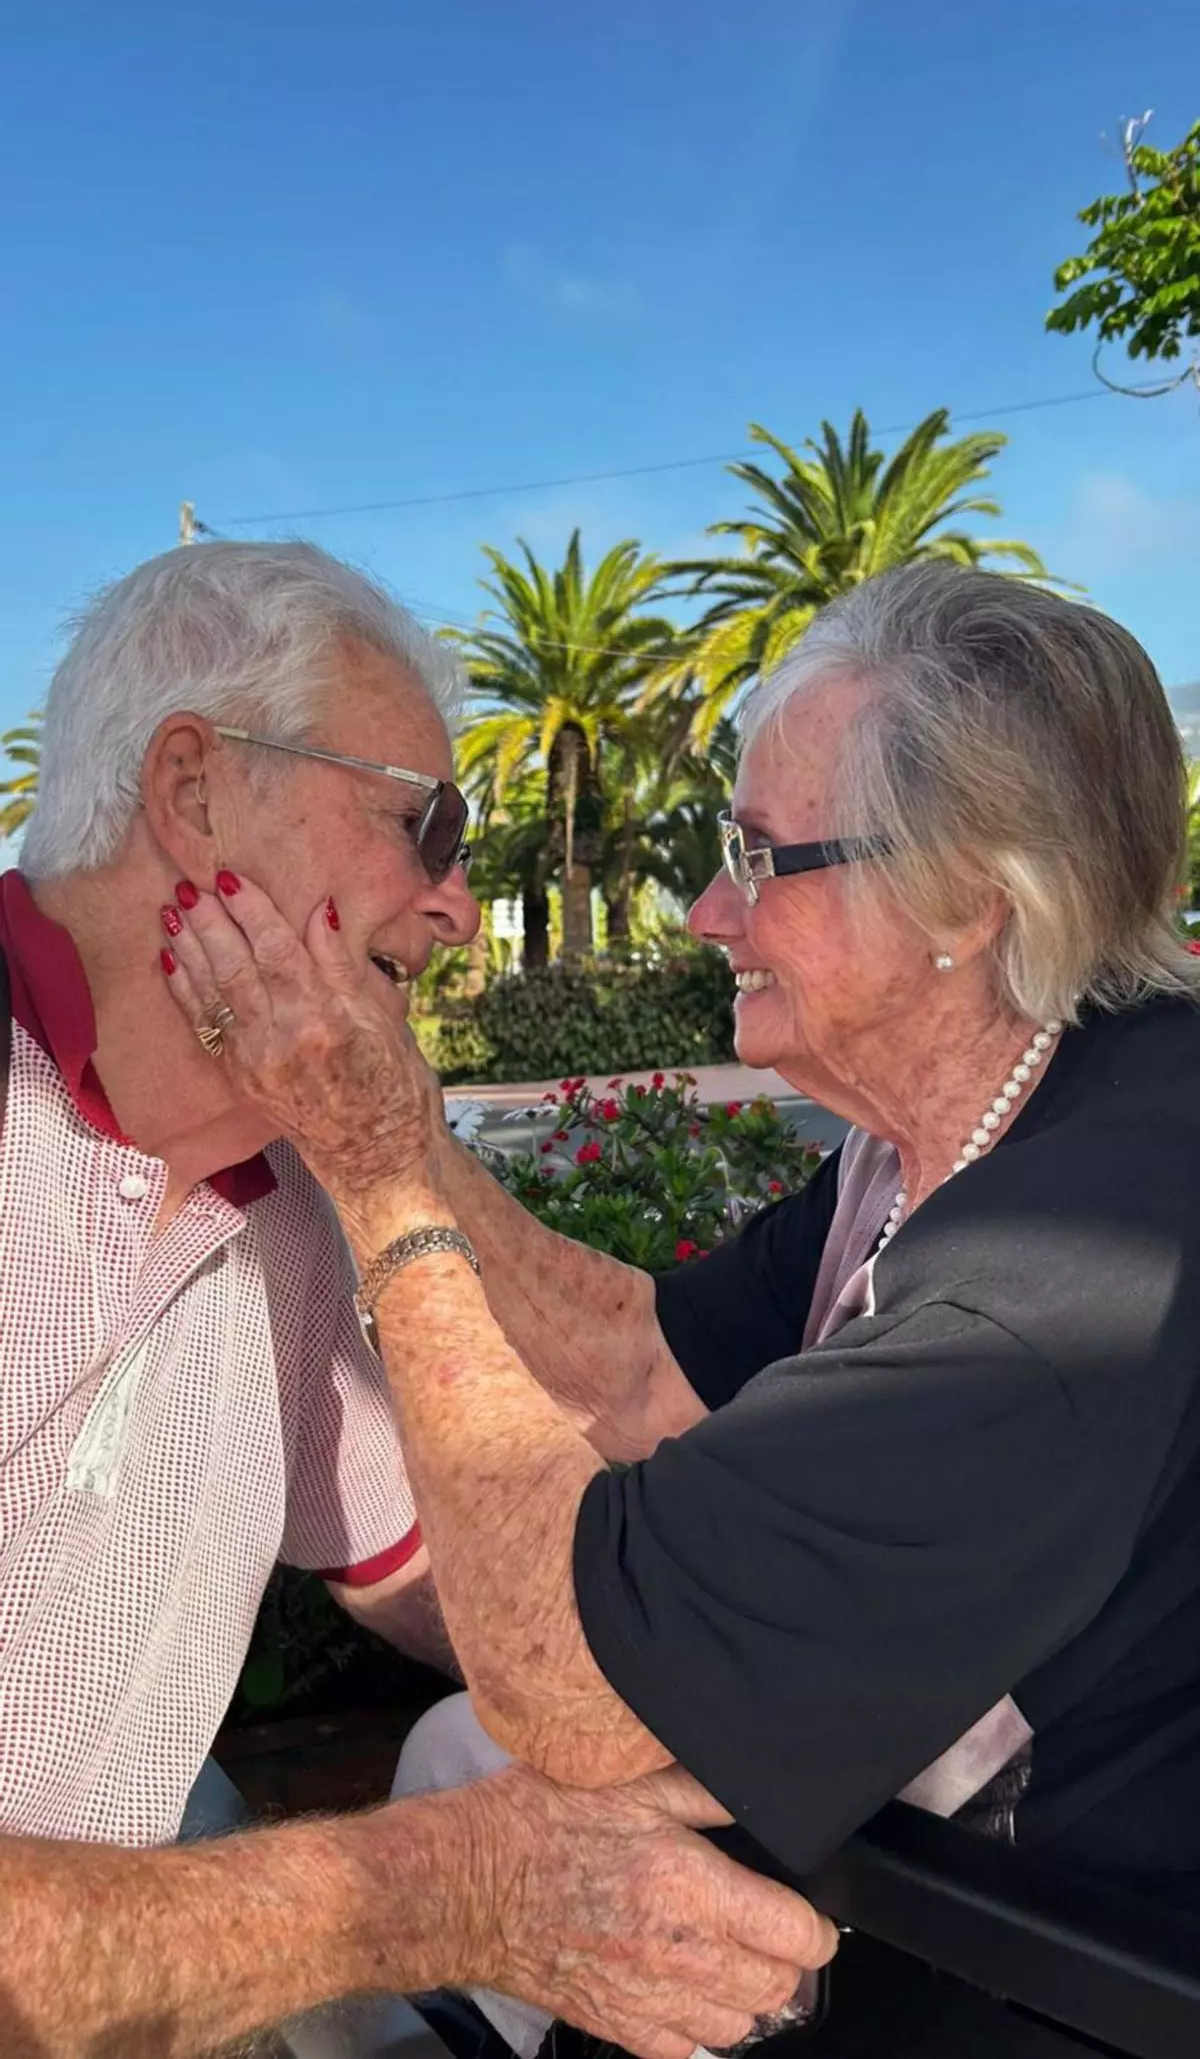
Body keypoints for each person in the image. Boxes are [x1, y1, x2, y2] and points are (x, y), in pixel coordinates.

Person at [159, 559, 1200, 2038]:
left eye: (765, 857)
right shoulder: (951, 1141)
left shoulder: (1058, 1281)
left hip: (995, 1981)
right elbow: (643, 1363)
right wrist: (396, 1119)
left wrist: (382, 1179)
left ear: (964, 899)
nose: (711, 909)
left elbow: (570, 1686)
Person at [0, 539, 835, 2058]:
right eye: (421, 823)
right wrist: (439, 1894)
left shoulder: (287, 1213)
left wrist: (811, 1682)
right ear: (192, 798)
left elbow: (470, 1592)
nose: (455, 906)